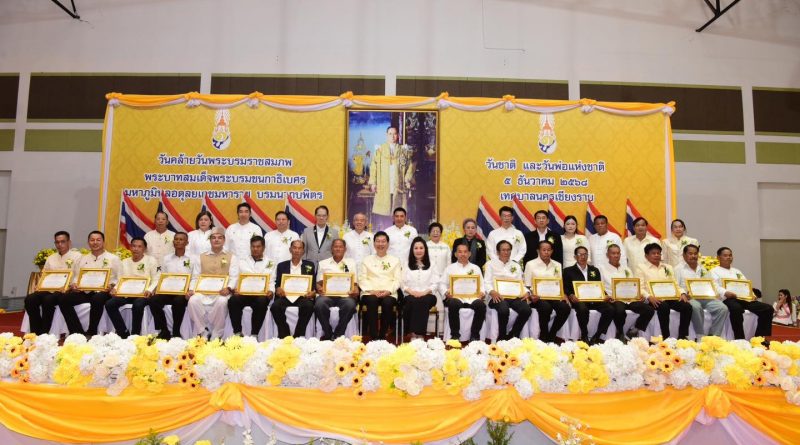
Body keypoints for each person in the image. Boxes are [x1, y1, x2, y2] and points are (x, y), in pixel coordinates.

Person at [59, 231, 122, 336]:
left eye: (98, 240)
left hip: (104, 292)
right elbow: (76, 276)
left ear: (103, 242)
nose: (95, 242)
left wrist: (111, 286)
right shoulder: (82, 259)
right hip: (85, 291)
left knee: (97, 299)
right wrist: (74, 284)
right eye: (92, 240)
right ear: (88, 242)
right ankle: (77, 332)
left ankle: (91, 331)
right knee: (64, 299)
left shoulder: (113, 259)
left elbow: (120, 278)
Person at [25, 231, 82, 334]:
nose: (60, 245)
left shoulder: (77, 256)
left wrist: (70, 286)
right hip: (49, 288)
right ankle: (35, 331)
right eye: (57, 242)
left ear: (69, 242)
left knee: (48, 300)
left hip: (65, 290)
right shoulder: (51, 258)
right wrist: (40, 285)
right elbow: (44, 274)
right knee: (30, 299)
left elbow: (79, 275)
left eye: (63, 242)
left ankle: (44, 331)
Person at [710, 247, 774, 339]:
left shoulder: (737, 271)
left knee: (767, 308)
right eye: (725, 255)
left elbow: (745, 284)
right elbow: (715, 286)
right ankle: (739, 338)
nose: (728, 257)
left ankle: (759, 338)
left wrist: (752, 294)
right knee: (736, 308)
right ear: (718, 257)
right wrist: (725, 292)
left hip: (743, 299)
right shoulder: (714, 271)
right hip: (727, 299)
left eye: (730, 255)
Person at [187, 227, 239, 339]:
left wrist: (228, 288)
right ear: (210, 240)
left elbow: (234, 276)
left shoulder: (232, 257)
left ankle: (217, 332)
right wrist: (191, 289)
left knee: (222, 302)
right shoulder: (201, 257)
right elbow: (195, 276)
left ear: (224, 240)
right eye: (213, 238)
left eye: (219, 238)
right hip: (202, 291)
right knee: (192, 301)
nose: (216, 240)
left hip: (222, 292)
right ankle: (202, 330)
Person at [104, 237, 160, 337]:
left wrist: (149, 290)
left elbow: (156, 279)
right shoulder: (124, 262)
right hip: (126, 293)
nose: (136, 249)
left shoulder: (151, 261)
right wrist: (115, 289)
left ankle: (135, 334)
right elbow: (120, 279)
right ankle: (123, 332)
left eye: (139, 246)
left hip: (143, 294)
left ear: (144, 249)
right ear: (130, 247)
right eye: (134, 246)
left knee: (138, 304)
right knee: (110, 304)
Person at [635, 243, 692, 339]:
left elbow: (675, 284)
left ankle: (682, 335)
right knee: (663, 306)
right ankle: (666, 336)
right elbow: (639, 287)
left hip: (670, 297)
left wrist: (682, 293)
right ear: (646, 256)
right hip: (653, 299)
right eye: (653, 253)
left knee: (687, 306)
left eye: (658, 253)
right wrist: (649, 297)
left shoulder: (667, 267)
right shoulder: (641, 268)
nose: (657, 255)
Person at [599, 244, 655, 340]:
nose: (616, 255)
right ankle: (620, 332)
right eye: (613, 253)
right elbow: (600, 286)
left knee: (649, 310)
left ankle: (634, 330)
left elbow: (633, 285)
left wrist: (639, 295)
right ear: (607, 255)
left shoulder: (626, 269)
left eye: (618, 253)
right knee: (620, 310)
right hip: (614, 299)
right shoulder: (601, 269)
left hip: (630, 299)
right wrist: (606, 296)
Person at [674, 244, 728, 338]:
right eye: (690, 254)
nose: (693, 256)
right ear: (684, 255)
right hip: (690, 298)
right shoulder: (678, 269)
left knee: (722, 308)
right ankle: (700, 335)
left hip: (706, 297)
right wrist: (683, 293)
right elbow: (675, 285)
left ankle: (714, 335)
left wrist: (715, 293)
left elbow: (711, 283)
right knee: (696, 307)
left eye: (695, 254)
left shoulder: (703, 268)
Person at [563, 245, 614, 344]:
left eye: (585, 254)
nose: (583, 257)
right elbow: (565, 287)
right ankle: (584, 334)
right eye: (580, 254)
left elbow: (599, 286)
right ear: (575, 257)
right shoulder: (568, 271)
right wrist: (571, 295)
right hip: (578, 300)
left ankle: (597, 335)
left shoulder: (594, 270)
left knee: (610, 309)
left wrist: (605, 295)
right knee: (582, 309)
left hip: (594, 299)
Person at [228, 235, 276, 337]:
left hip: (261, 295)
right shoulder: (242, 261)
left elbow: (272, 281)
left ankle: (254, 334)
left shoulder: (271, 263)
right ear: (250, 247)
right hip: (244, 294)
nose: (255, 249)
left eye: (258, 246)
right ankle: (237, 332)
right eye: (253, 246)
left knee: (261, 301)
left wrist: (271, 291)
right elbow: (236, 277)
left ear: (263, 248)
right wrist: (235, 289)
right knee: (233, 300)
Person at [523, 240, 571, 342]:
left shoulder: (557, 265)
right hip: (537, 297)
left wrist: (563, 294)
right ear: (538, 251)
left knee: (565, 308)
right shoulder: (530, 264)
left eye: (549, 250)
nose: (546, 252)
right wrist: (531, 295)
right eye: (544, 250)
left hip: (554, 296)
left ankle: (552, 333)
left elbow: (559, 283)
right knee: (546, 307)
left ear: (552, 251)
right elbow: (527, 284)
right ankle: (543, 334)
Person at [358, 231, 402, 341]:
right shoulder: (366, 260)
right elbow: (362, 278)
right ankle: (374, 336)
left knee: (388, 302)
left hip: (389, 292)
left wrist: (389, 291)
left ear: (388, 244)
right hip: (369, 292)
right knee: (372, 300)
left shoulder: (395, 260)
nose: (380, 244)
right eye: (378, 241)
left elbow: (398, 279)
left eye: (383, 241)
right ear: (374, 244)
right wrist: (372, 291)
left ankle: (382, 336)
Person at [368, 126, 415, 227]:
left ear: (398, 135)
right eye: (390, 134)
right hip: (384, 185)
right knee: (384, 213)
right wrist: (373, 183)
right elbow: (373, 167)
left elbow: (410, 166)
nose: (392, 136)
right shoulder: (380, 150)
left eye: (395, 134)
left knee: (397, 212)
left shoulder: (403, 150)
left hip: (398, 185)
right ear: (386, 135)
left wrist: (407, 180)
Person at [440, 241, 487, 342]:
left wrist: (482, 293)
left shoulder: (476, 268)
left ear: (469, 254)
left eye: (465, 252)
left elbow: (482, 285)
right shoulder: (449, 268)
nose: (463, 254)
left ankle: (475, 335)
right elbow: (442, 284)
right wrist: (446, 293)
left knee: (481, 306)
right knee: (453, 304)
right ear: (455, 254)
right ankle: (455, 335)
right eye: (460, 252)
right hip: (456, 297)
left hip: (473, 298)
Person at [485, 240, 532, 340]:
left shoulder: (516, 266)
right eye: (503, 250)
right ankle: (502, 337)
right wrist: (492, 291)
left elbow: (521, 283)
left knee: (527, 310)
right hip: (497, 296)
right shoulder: (490, 264)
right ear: (498, 252)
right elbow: (486, 282)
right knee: (503, 309)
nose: (506, 252)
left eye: (508, 250)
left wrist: (527, 292)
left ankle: (513, 334)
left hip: (514, 297)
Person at [149, 232, 192, 339]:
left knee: (178, 302)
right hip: (167, 290)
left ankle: (176, 331)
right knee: (154, 300)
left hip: (183, 292)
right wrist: (156, 288)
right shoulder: (166, 258)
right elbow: (162, 275)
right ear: (173, 242)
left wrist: (190, 290)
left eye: (181, 239)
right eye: (176, 239)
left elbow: (195, 276)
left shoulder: (193, 258)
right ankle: (164, 330)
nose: (178, 241)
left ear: (187, 243)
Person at [271, 240, 317, 338]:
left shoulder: (309, 265)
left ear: (303, 251)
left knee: (309, 306)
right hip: (285, 296)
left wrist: (313, 292)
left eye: (299, 248)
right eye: (294, 248)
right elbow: (277, 283)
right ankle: (285, 334)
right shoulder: (281, 265)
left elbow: (313, 284)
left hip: (302, 297)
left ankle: (298, 335)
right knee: (275, 307)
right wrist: (278, 288)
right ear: (290, 250)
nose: (297, 250)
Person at [314, 239, 359, 340]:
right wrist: (319, 288)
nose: (338, 249)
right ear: (332, 249)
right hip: (327, 295)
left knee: (350, 304)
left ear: (345, 249)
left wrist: (355, 290)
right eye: (335, 246)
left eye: (340, 247)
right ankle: (328, 332)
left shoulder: (351, 263)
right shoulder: (323, 263)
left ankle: (339, 333)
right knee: (319, 304)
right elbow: (318, 283)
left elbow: (355, 283)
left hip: (346, 296)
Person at [401, 237, 439, 341]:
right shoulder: (406, 264)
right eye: (416, 248)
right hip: (410, 294)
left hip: (428, 295)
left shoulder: (432, 264)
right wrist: (411, 292)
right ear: (412, 250)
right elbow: (402, 283)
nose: (418, 250)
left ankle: (419, 334)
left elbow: (435, 283)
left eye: (421, 248)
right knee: (412, 301)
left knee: (423, 300)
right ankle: (414, 334)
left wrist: (424, 292)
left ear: (425, 249)